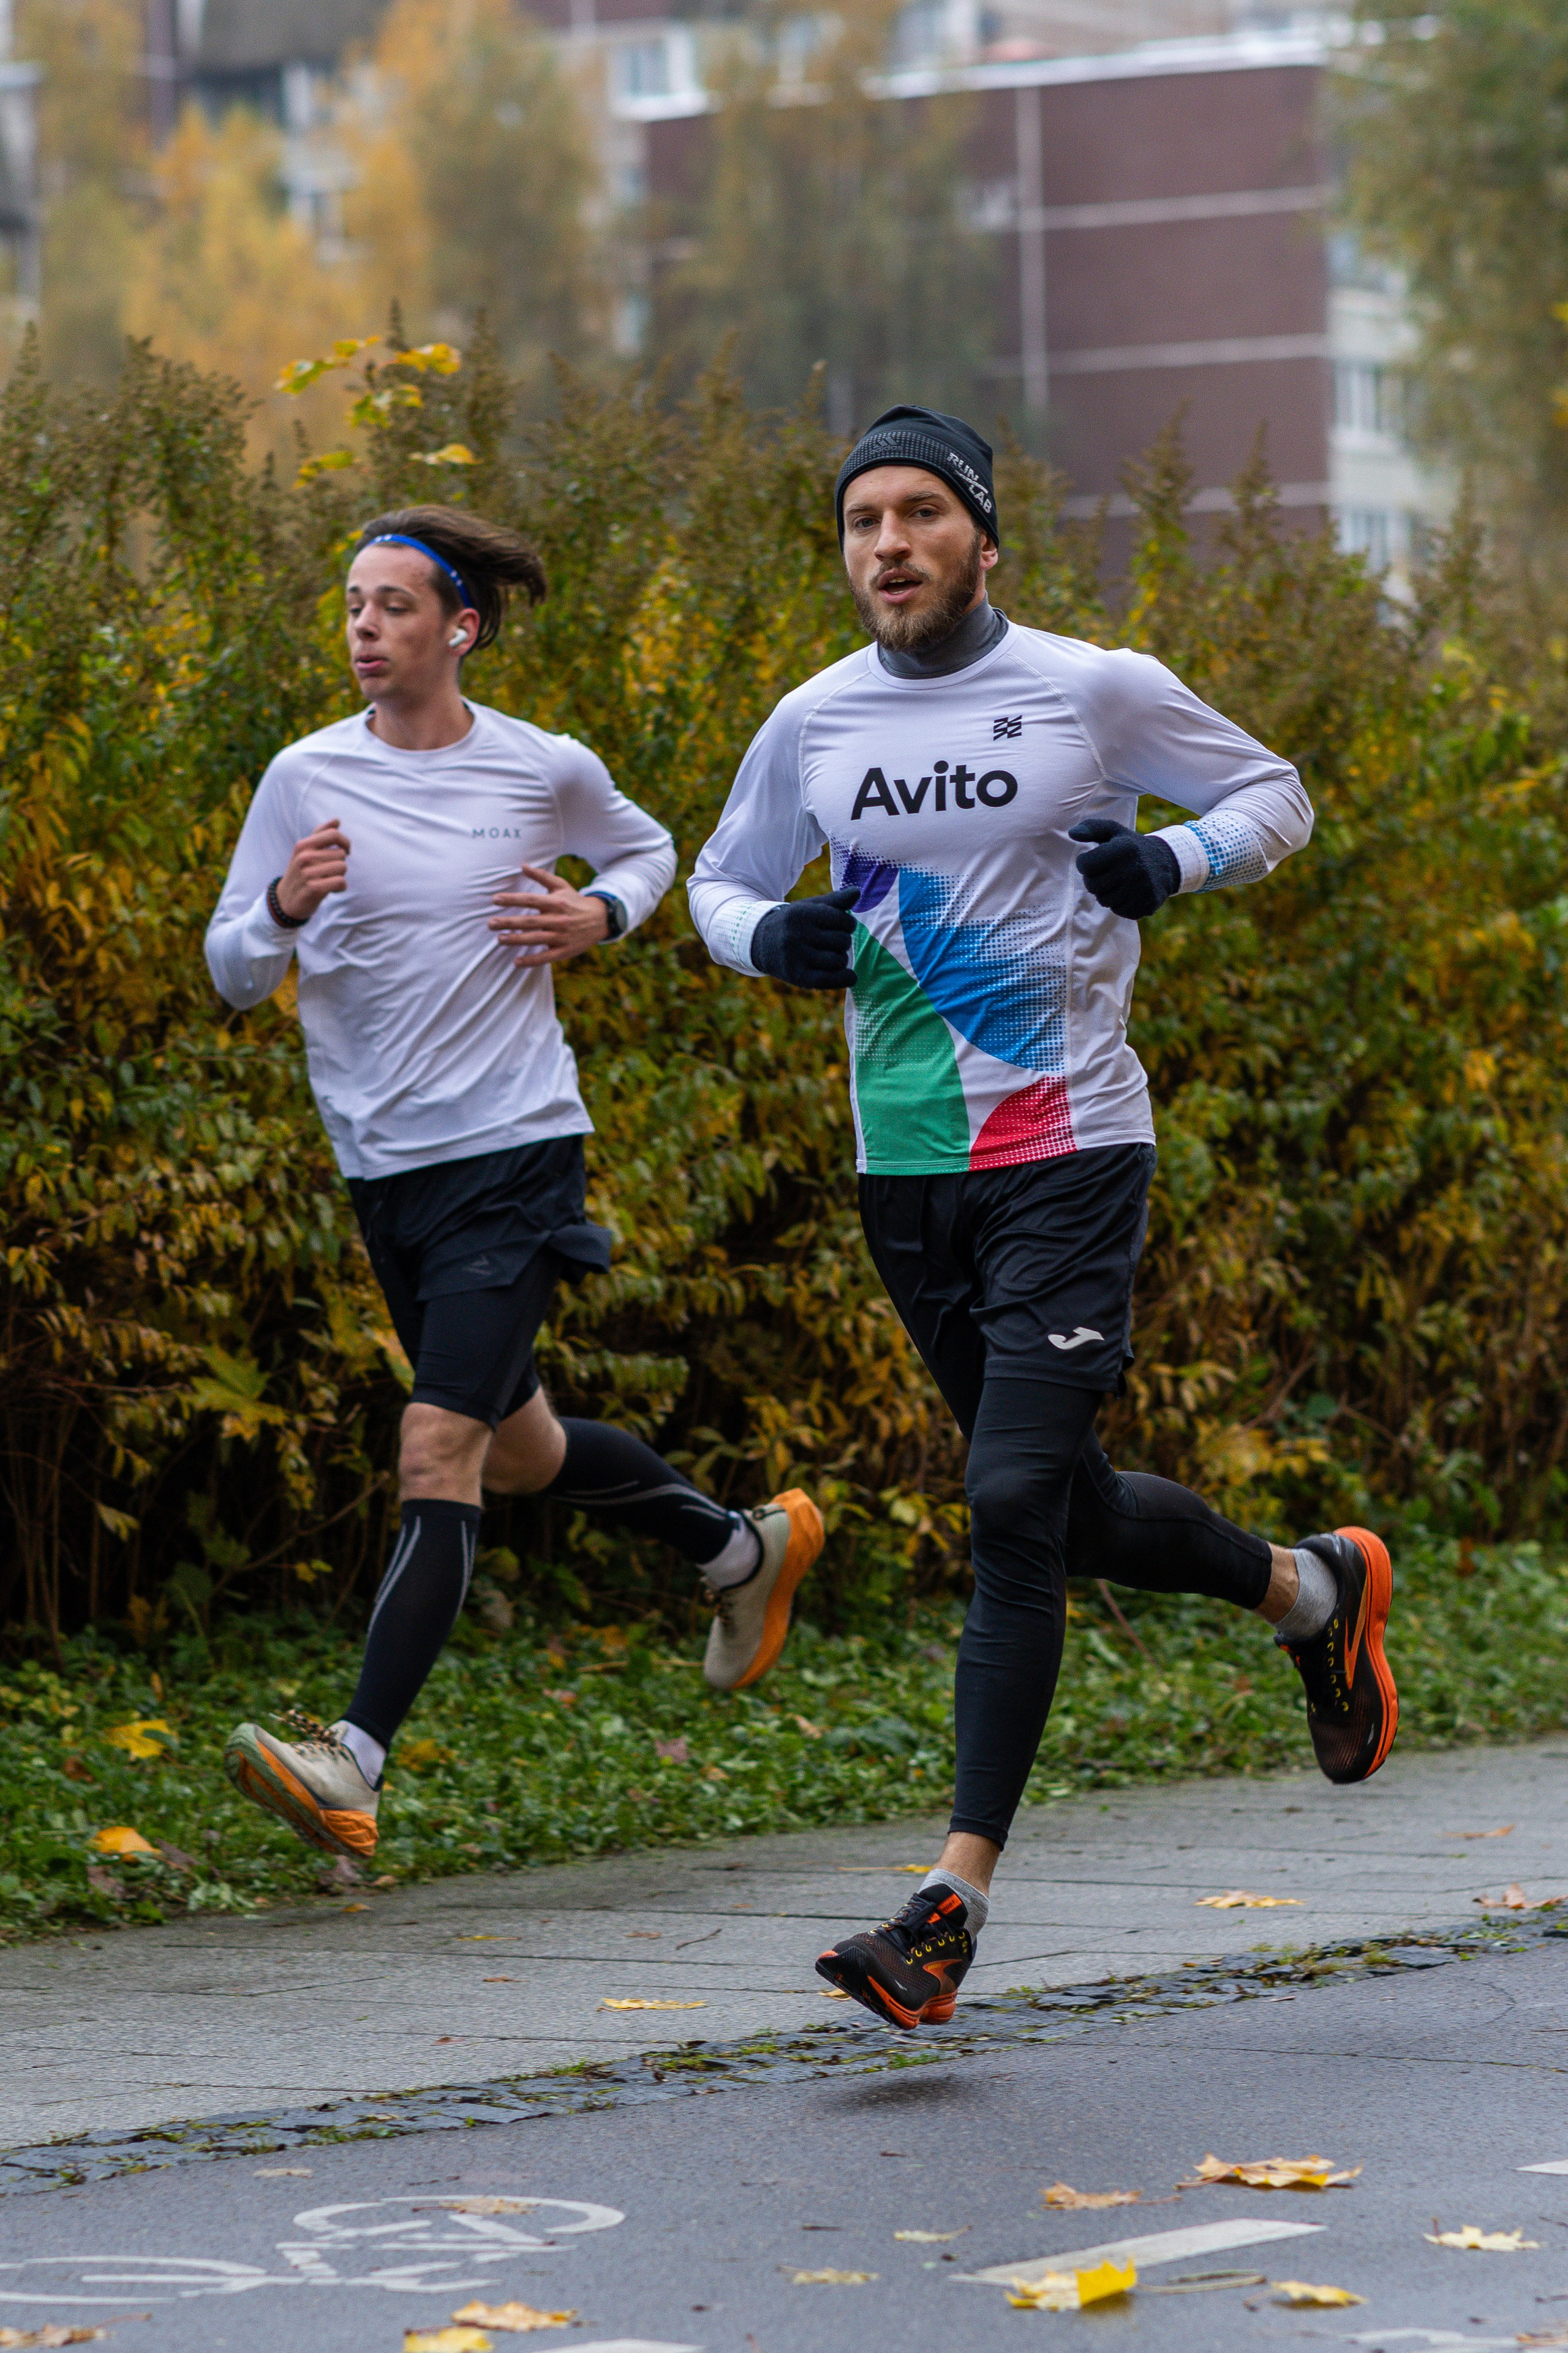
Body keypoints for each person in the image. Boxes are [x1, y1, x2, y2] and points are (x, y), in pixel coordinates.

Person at [687, 407, 1396, 2031]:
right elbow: (721, 880)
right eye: (864, 518)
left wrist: (1172, 866)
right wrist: (762, 943)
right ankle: (1313, 1594)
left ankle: (950, 1902)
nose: (889, 543)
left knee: (1006, 1501)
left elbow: (1274, 796)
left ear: (983, 538)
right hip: (906, 1167)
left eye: (921, 514)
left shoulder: (1093, 688)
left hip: (1070, 1147)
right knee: (1058, 1507)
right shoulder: (813, 721)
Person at [206, 505, 823, 1864]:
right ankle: (737, 1549)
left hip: (515, 1150)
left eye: (393, 608)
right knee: (525, 1447)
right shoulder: (302, 777)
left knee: (438, 1447)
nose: (365, 629)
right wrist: (285, 913)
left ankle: (351, 1763)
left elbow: (652, 850)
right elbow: (231, 969)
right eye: (353, 606)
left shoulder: (539, 768)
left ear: (459, 629)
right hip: (386, 1170)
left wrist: (595, 913)